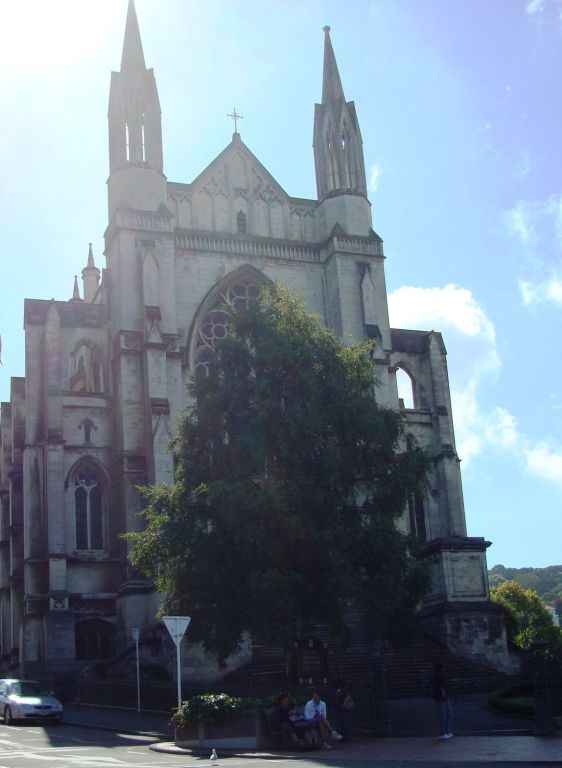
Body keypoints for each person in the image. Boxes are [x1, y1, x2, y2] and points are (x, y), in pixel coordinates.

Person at [432, 662, 453, 739]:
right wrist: (444, 694)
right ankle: (444, 732)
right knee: (444, 714)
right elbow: (441, 687)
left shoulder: (438, 676)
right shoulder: (439, 676)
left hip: (443, 697)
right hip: (442, 697)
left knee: (445, 714)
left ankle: (446, 732)